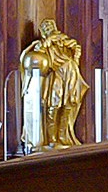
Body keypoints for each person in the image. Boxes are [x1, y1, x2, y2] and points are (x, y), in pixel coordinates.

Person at [21, 18, 88, 150]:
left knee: (69, 103)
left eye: (50, 26)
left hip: (70, 71)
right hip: (55, 75)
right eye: (45, 27)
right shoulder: (42, 43)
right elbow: (33, 57)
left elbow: (76, 48)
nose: (49, 28)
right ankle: (52, 138)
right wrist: (47, 42)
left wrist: (75, 57)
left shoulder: (63, 39)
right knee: (53, 104)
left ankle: (62, 136)